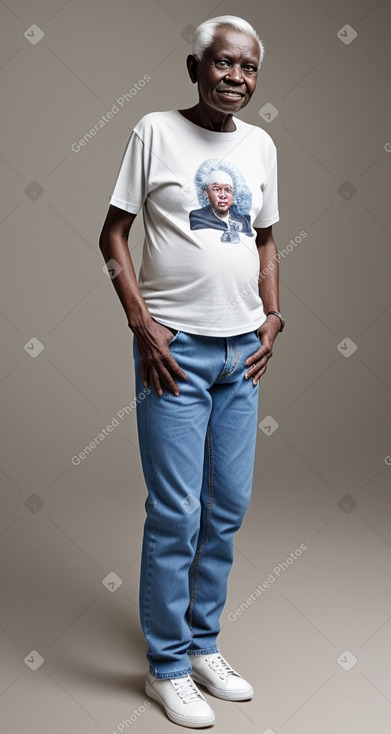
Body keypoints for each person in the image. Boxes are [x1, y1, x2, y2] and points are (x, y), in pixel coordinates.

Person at [99, 14, 285, 728]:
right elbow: (112, 232)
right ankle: (166, 667)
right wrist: (142, 323)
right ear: (195, 67)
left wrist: (273, 316)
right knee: (176, 512)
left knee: (227, 507)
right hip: (174, 351)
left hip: (243, 350)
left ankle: (204, 646)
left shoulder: (262, 145)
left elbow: (266, 239)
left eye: (248, 67)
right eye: (223, 64)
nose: (235, 77)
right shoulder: (154, 131)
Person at [189, 168, 253, 240]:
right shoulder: (197, 217)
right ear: (206, 193)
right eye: (216, 189)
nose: (223, 195)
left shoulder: (243, 220)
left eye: (227, 190)